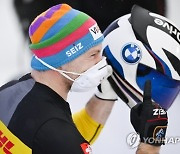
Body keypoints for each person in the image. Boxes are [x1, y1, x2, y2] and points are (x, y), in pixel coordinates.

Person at [0, 4, 167, 154]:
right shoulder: (54, 131)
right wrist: (150, 144)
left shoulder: (9, 91)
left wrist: (104, 96)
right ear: (61, 60)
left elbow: (65, 135)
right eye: (93, 55)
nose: (101, 63)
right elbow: (61, 138)